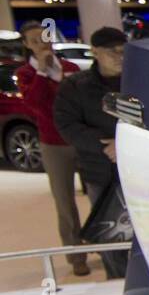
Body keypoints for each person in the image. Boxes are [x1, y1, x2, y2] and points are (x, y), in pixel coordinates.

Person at [52, 27, 130, 279]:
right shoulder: (76, 86)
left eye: (123, 50)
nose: (119, 56)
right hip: (99, 170)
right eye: (112, 51)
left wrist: (124, 142)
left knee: (146, 229)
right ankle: (116, 280)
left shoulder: (138, 80)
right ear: (95, 52)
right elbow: (66, 124)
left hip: (139, 167)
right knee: (109, 228)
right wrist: (103, 145)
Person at [16, 21, 86, 276]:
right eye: (34, 41)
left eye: (44, 38)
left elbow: (82, 102)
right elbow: (34, 104)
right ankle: (76, 255)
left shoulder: (70, 68)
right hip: (53, 144)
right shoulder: (26, 74)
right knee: (64, 203)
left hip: (81, 140)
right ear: (27, 45)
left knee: (99, 194)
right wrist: (42, 73)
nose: (41, 44)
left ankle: (108, 247)